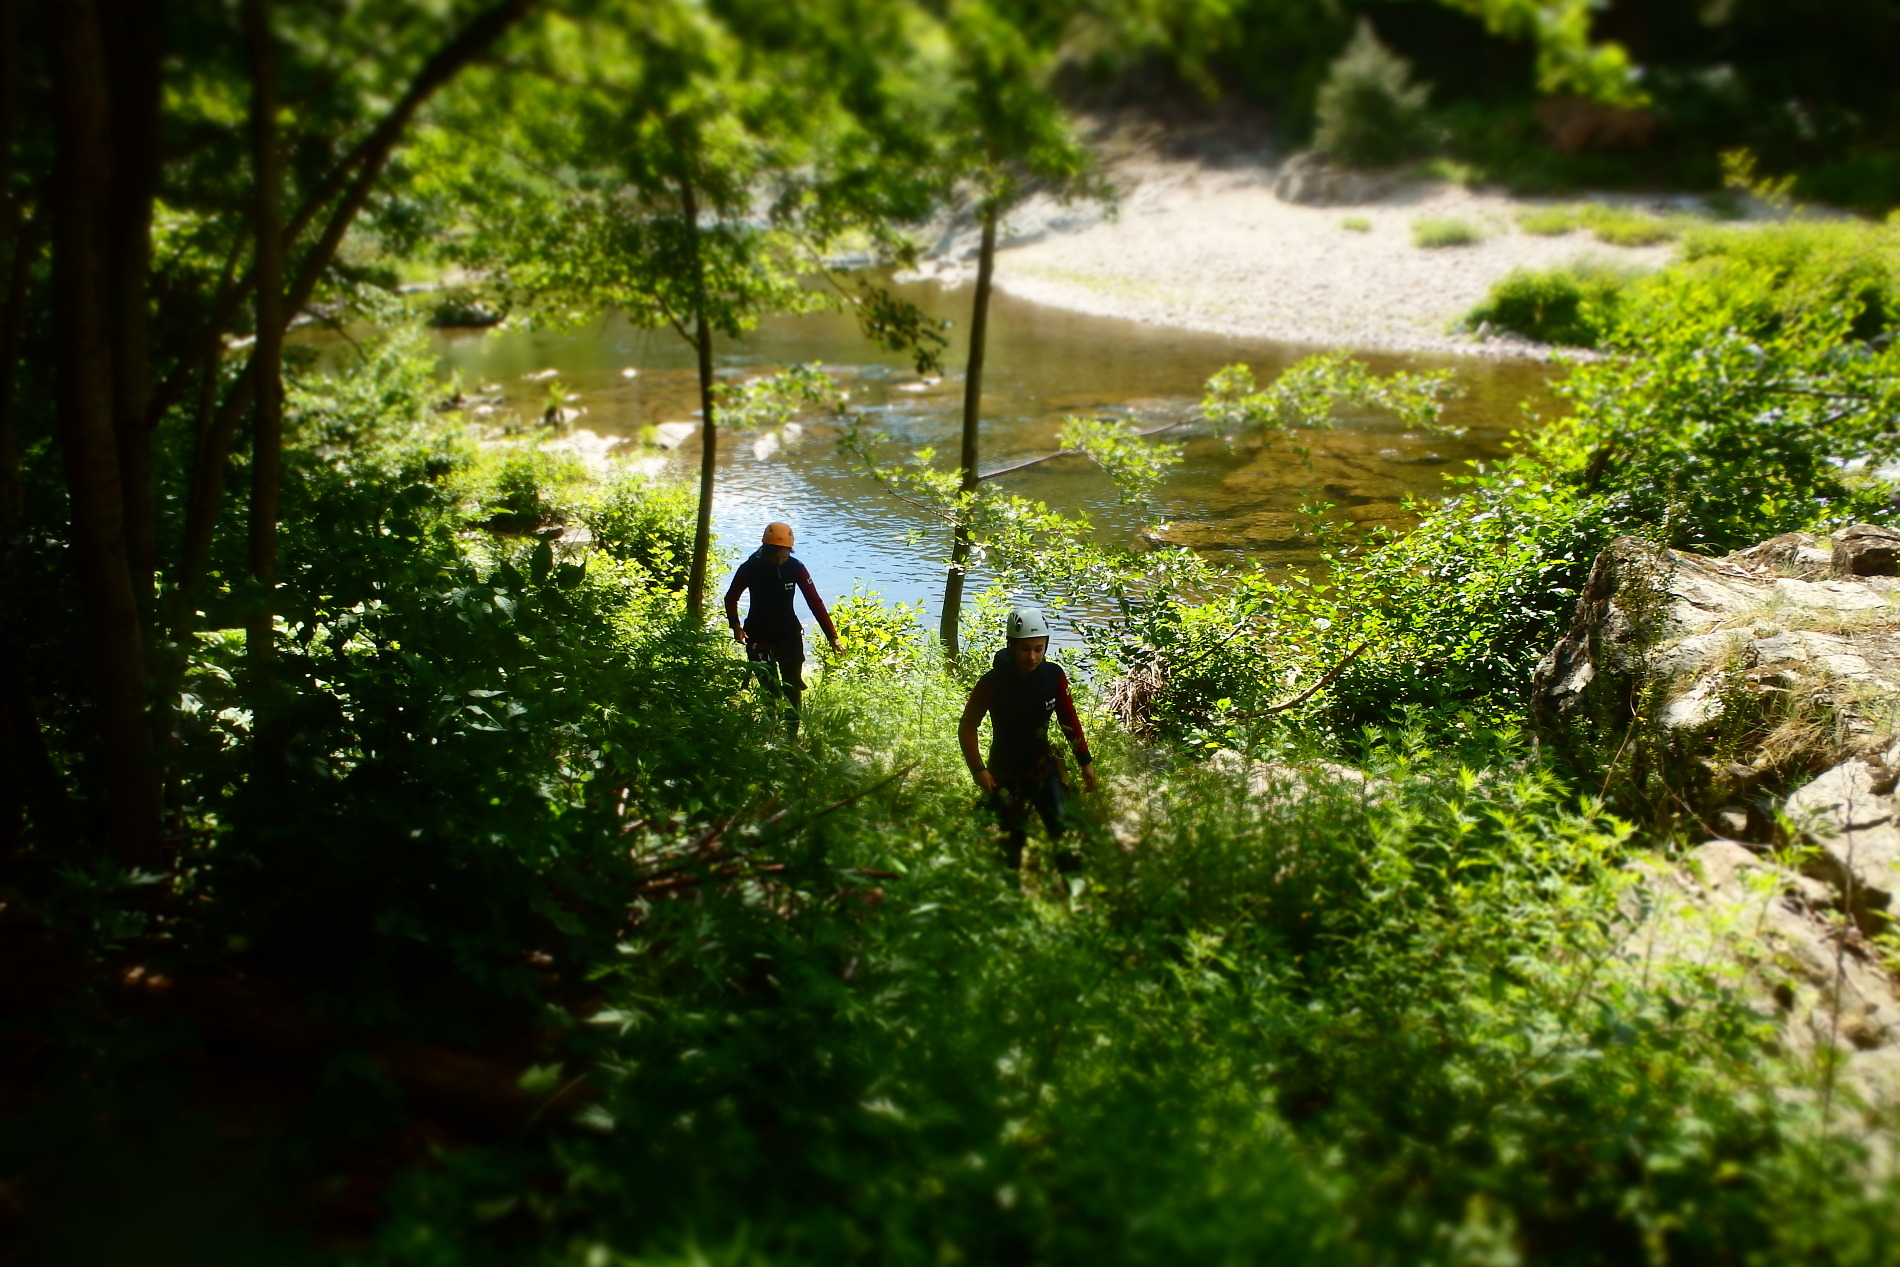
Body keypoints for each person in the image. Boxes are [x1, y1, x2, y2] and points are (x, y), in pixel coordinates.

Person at [958, 606, 1099, 872]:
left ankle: (1076, 897)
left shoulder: (1053, 676)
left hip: (1042, 768)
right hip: (1004, 773)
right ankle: (1011, 899)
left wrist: (1085, 762)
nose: (1033, 656)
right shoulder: (992, 683)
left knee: (1060, 830)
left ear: (1046, 645)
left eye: (1039, 648)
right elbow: (967, 726)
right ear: (1011, 646)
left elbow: (1068, 718)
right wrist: (978, 770)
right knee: (1012, 840)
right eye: (1025, 649)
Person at [723, 522, 841, 733]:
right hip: (758, 637)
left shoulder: (796, 568)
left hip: (789, 635)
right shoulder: (750, 568)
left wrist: (832, 636)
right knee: (769, 690)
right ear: (765, 551)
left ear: (790, 551)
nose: (779, 561)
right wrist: (735, 626)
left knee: (792, 688)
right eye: (775, 557)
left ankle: (791, 737)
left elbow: (815, 602)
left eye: (784, 556)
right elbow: (731, 597)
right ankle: (771, 732)